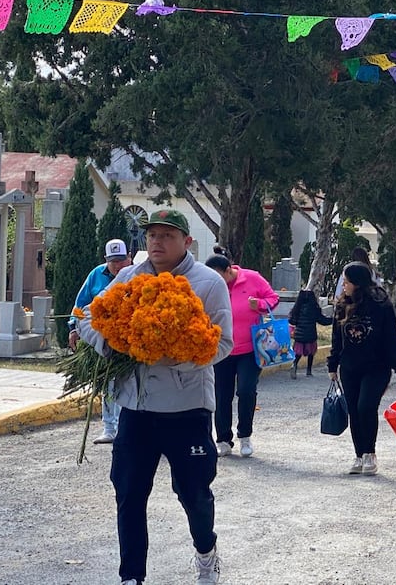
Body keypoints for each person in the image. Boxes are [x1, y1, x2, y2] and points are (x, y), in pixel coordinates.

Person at [78, 209, 234, 585]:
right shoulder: (129, 277)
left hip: (187, 409)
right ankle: (131, 576)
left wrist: (177, 356)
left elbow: (223, 343)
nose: (157, 242)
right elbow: (87, 318)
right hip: (136, 407)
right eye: (152, 235)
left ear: (187, 242)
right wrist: (115, 343)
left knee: (194, 492)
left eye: (167, 235)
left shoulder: (208, 283)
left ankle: (205, 551)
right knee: (129, 493)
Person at [327, 261, 396, 475]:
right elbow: (337, 337)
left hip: (377, 367)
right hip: (350, 367)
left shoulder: (381, 304)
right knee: (353, 410)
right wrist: (332, 364)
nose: (343, 285)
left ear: (357, 282)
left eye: (347, 281)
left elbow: (392, 336)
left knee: (366, 407)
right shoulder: (342, 305)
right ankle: (359, 454)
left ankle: (370, 453)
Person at [205, 254, 279, 457]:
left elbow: (273, 298)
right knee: (222, 395)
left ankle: (245, 435)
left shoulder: (252, 278)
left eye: (220, 276)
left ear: (229, 270)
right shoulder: (211, 284)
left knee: (246, 391)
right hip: (221, 349)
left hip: (250, 348)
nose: (216, 281)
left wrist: (261, 305)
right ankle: (223, 439)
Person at [68, 239, 133, 444]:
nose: (117, 266)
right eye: (113, 261)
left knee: (130, 383)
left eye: (121, 260)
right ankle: (109, 427)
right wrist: (74, 328)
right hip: (102, 338)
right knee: (107, 382)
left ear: (129, 258)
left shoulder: (137, 275)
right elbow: (80, 305)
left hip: (131, 339)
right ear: (106, 260)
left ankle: (127, 427)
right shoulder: (96, 275)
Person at [287, 290, 332, 378]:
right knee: (311, 353)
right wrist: (333, 320)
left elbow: (292, 321)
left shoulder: (297, 309)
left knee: (298, 353)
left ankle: (294, 365)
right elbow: (322, 320)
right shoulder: (314, 309)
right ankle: (309, 371)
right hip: (310, 335)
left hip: (299, 336)